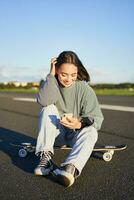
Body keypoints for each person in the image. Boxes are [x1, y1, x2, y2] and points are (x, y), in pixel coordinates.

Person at [34, 51, 104, 187]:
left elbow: (97, 118)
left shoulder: (84, 89)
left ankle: (70, 168)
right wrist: (51, 76)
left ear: (78, 72)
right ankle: (46, 158)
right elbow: (43, 101)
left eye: (73, 75)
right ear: (57, 70)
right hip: (56, 135)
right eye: (63, 74)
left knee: (92, 131)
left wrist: (79, 123)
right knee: (48, 109)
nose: (68, 79)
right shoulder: (51, 82)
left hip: (75, 136)